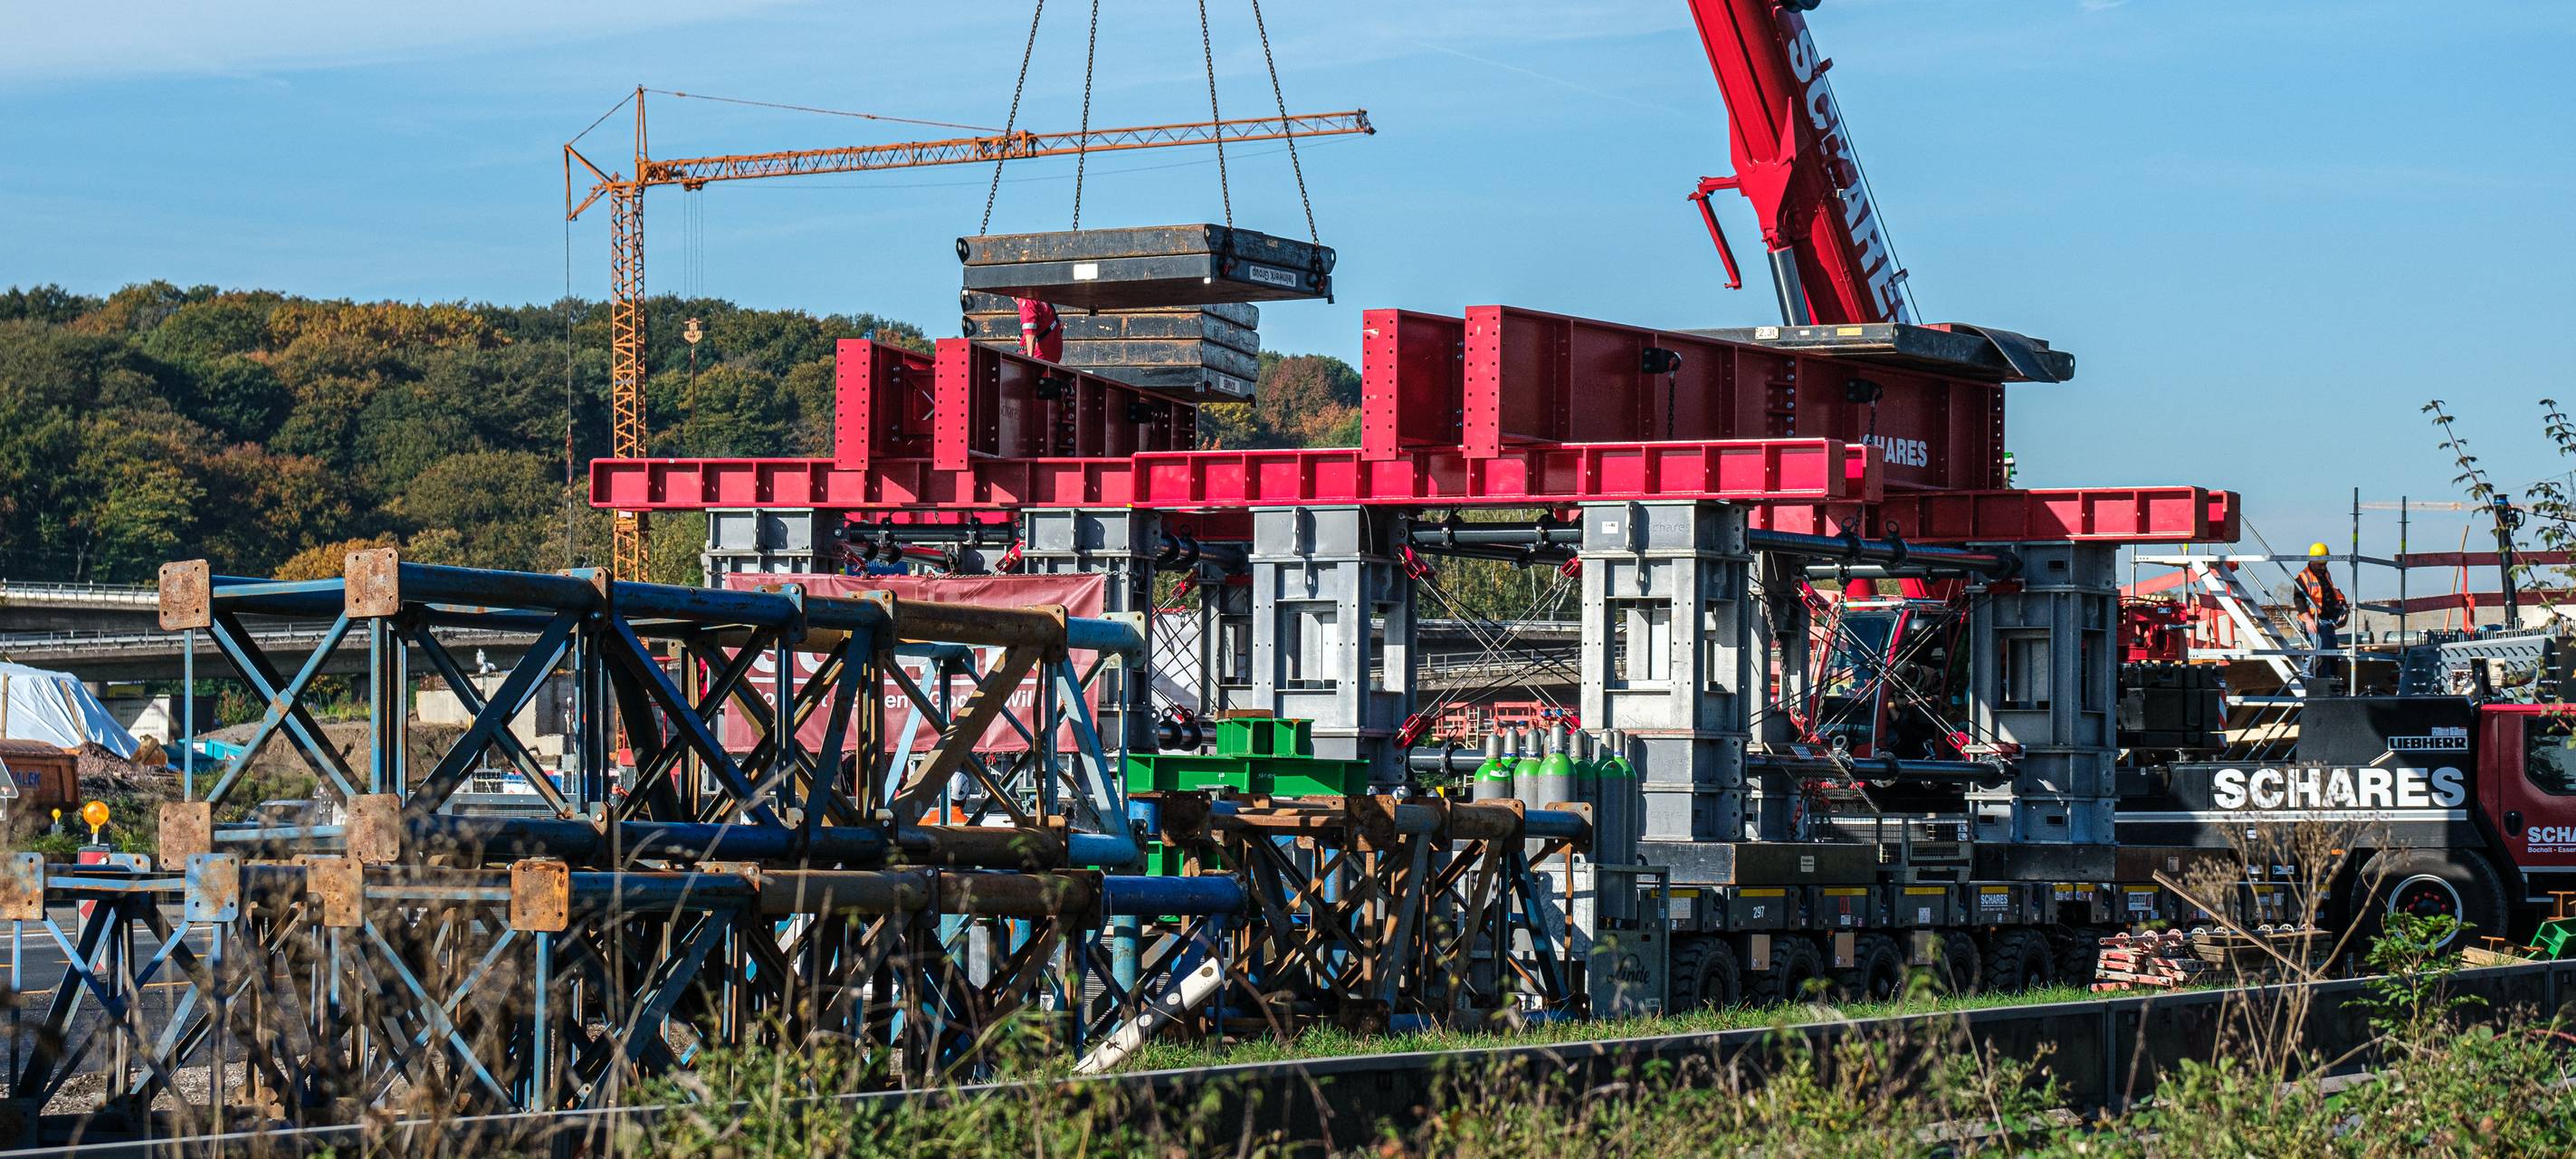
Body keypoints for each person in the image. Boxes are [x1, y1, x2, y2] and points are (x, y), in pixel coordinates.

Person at [2292, 541, 2348, 676]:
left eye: (2325, 564)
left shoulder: (2325, 574)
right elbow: (2299, 600)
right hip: (2314, 621)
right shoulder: (2303, 578)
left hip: (2327, 621)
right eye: (2320, 564)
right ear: (2312, 560)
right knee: (2320, 649)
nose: (2323, 567)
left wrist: (2343, 609)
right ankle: (2307, 676)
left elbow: (2331, 594)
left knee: (2332, 652)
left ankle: (2329, 680)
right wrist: (2308, 620)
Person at [1016, 297, 1063, 362]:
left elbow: (1030, 333)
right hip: (1051, 359)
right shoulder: (1044, 302)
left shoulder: (1027, 301)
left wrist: (1029, 361)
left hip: (1038, 358)